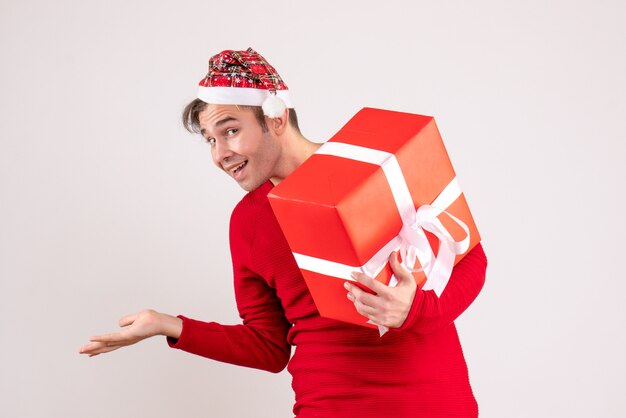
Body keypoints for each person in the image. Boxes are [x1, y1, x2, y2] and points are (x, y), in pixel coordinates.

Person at [80, 48, 488, 417]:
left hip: (435, 402)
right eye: (210, 140)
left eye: (230, 131)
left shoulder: (373, 166)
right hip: (329, 407)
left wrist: (415, 310)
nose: (220, 154)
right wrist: (168, 325)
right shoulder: (249, 222)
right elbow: (269, 346)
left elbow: (470, 256)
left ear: (276, 117)